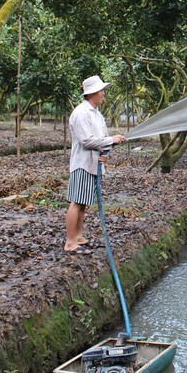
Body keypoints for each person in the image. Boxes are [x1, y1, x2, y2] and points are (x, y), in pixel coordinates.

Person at [64, 75, 127, 254]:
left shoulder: (97, 115)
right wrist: (109, 140)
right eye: (101, 90)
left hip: (94, 164)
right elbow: (87, 141)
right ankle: (70, 241)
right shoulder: (80, 113)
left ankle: (78, 236)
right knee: (76, 202)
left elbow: (102, 140)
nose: (104, 94)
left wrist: (108, 150)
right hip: (82, 164)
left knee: (83, 202)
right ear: (91, 93)